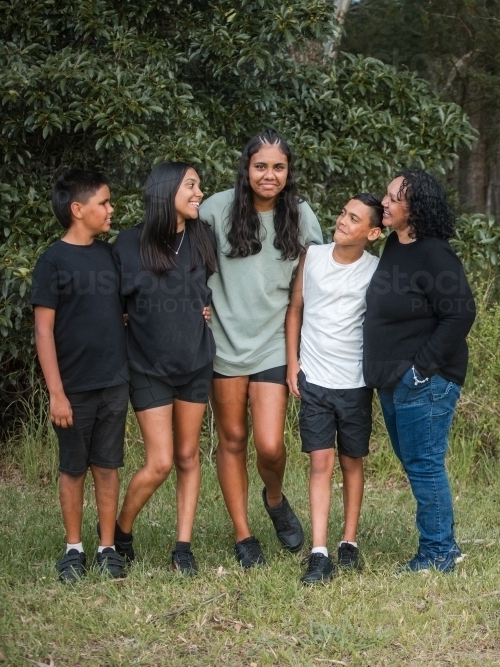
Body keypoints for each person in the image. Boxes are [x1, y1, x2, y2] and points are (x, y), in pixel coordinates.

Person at [199, 129, 324, 568]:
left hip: (274, 342)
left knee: (269, 445)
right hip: (224, 342)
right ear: (246, 168)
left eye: (278, 167)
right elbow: (177, 255)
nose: (268, 175)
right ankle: (242, 533)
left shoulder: (302, 216)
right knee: (232, 438)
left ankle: (273, 498)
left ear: (288, 172)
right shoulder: (215, 210)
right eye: (260, 166)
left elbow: (314, 285)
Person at [364, 169, 476, 572]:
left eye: (395, 197)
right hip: (394, 381)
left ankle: (438, 553)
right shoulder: (394, 246)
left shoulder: (434, 253)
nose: (385, 202)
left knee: (424, 464)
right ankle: (445, 543)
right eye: (386, 194)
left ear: (417, 207)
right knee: (417, 463)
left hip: (425, 380)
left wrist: (421, 369)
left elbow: (461, 313)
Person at [111, 162, 217, 575]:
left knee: (189, 456)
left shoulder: (201, 238)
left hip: (194, 362)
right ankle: (121, 531)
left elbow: (202, 292)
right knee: (160, 462)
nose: (199, 193)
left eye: (199, 186)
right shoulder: (127, 244)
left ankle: (183, 548)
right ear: (165, 189)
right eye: (191, 185)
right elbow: (113, 305)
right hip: (147, 365)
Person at [32, 170, 130, 582]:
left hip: (113, 382)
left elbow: (125, 311)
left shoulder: (109, 255)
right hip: (72, 388)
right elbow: (43, 330)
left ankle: (107, 546)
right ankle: (74, 549)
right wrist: (57, 393)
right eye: (104, 203)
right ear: (78, 209)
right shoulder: (52, 261)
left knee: (107, 466)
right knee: (73, 468)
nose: (111, 210)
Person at [285, 194, 384, 584]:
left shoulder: (377, 270)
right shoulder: (313, 257)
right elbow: (296, 308)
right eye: (343, 212)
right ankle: (320, 551)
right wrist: (293, 362)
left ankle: (349, 542)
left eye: (354, 218)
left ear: (373, 233)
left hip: (355, 383)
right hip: (315, 379)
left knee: (351, 461)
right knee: (320, 463)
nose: (342, 220)